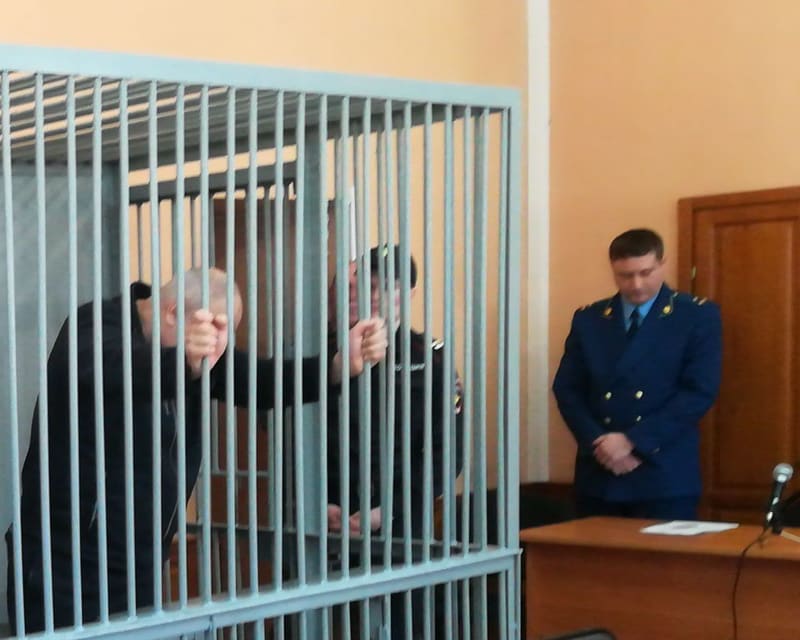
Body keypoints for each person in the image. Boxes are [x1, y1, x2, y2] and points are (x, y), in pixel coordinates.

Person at [6, 267, 387, 633]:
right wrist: (183, 363)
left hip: (140, 558)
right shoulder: (95, 327)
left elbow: (264, 380)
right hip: (64, 559)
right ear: (173, 313)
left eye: (227, 333)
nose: (219, 347)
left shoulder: (195, 352)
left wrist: (339, 365)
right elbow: (117, 371)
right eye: (215, 331)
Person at [326, 246, 464, 639]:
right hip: (329, 519)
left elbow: (446, 455)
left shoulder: (429, 357)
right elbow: (292, 442)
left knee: (405, 624)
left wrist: (388, 511)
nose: (373, 296)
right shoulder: (325, 351)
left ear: (410, 293)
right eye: (366, 285)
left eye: (385, 287)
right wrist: (317, 503)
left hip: (403, 521)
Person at [552, 228, 722, 520]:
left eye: (645, 272)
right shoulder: (590, 318)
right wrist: (599, 442)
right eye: (625, 275)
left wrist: (632, 441)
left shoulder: (695, 316)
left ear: (662, 264)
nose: (636, 284)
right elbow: (567, 389)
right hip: (600, 470)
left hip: (663, 472)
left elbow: (698, 392)